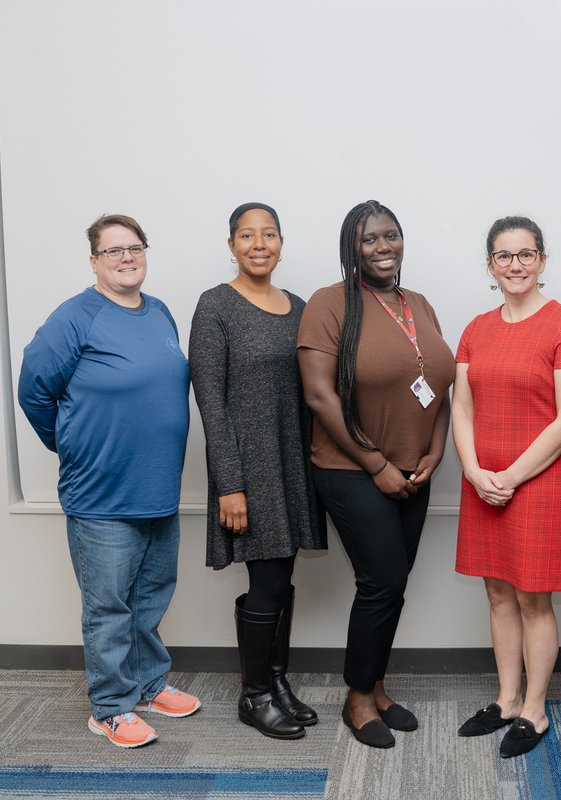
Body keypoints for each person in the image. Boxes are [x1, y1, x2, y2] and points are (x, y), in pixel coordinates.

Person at [18, 214, 200, 749]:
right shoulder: (76, 318)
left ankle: (146, 686)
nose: (127, 257)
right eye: (113, 250)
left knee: (150, 595)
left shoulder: (159, 311)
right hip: (100, 493)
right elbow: (34, 390)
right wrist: (69, 443)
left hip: (158, 487)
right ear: (94, 260)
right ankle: (110, 707)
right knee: (108, 606)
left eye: (134, 247)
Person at [297, 201, 454, 749]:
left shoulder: (420, 304)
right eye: (369, 240)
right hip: (350, 469)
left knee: (393, 584)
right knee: (382, 580)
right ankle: (358, 698)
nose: (383, 247)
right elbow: (319, 395)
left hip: (417, 470)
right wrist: (377, 464)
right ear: (351, 248)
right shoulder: (329, 303)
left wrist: (436, 450)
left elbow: (441, 386)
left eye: (392, 236)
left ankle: (378, 686)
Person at [452, 216, 561, 758]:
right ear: (490, 264)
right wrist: (472, 469)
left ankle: (534, 709)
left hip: (537, 483)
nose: (516, 265)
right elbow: (461, 406)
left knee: (534, 599)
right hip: (482, 479)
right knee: (496, 592)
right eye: (505, 256)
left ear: (542, 261)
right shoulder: (476, 328)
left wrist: (510, 476)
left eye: (526, 254)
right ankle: (507, 699)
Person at [189, 203, 327, 741]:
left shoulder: (299, 308)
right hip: (248, 467)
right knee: (267, 579)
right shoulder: (215, 306)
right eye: (247, 235)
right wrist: (231, 484)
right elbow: (210, 401)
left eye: (268, 234)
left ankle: (275, 681)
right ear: (231, 245)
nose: (258, 244)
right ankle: (254, 696)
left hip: (292, 461)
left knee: (281, 578)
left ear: (281, 243)